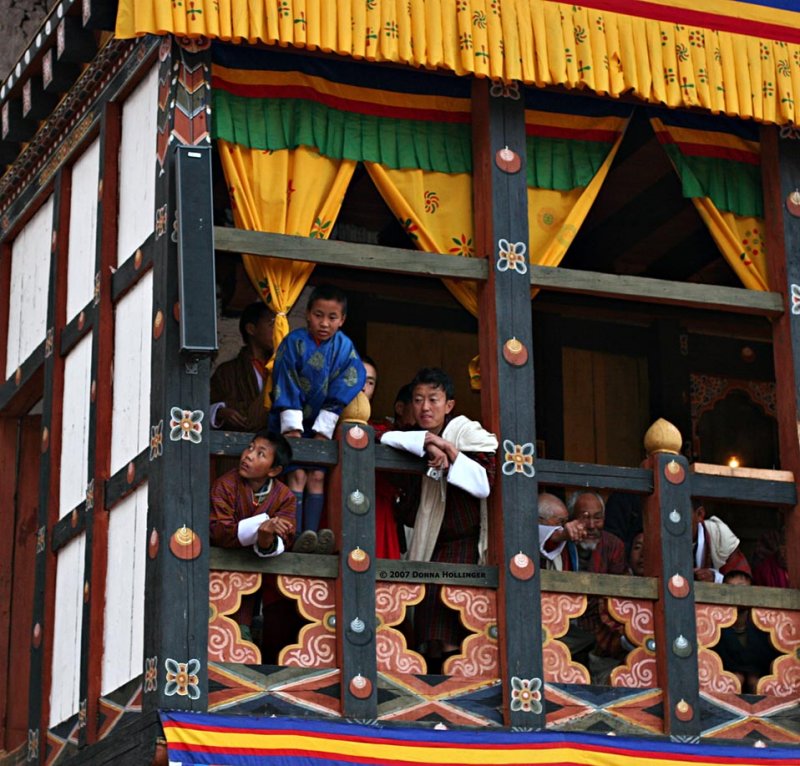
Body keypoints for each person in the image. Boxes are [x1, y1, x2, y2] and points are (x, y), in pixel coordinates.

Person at [381, 367, 497, 670]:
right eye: (418, 400)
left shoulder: (466, 433)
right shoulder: (414, 439)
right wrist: (432, 443)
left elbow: (485, 482)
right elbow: (383, 436)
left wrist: (452, 453)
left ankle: (452, 682)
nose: (425, 407)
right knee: (427, 625)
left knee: (454, 623)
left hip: (464, 545)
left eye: (433, 399)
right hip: (429, 543)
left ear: (449, 405)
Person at [268, 284, 366, 537]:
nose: (324, 323)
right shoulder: (293, 342)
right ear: (308, 314)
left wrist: (324, 427)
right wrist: (291, 427)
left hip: (323, 423)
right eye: (318, 315)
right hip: (288, 423)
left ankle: (309, 535)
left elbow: (352, 379)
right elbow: (284, 379)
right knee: (296, 475)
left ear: (342, 320)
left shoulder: (345, 349)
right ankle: (293, 533)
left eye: (332, 317)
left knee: (317, 478)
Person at [209, 431, 296, 644]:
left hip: (263, 572)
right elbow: (220, 531)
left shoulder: (285, 497)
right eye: (250, 448)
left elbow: (287, 534)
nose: (248, 455)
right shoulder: (225, 485)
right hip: (223, 570)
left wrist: (266, 540)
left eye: (260, 454)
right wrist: (260, 528)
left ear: (274, 470)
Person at [541, 491, 628, 683]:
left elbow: (616, 594)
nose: (591, 526)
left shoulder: (613, 545)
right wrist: (562, 535)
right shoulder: (561, 539)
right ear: (571, 519)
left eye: (598, 518)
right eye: (584, 518)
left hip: (597, 626)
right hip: (558, 622)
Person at [360, 356, 402, 560]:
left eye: (369, 382)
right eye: (356, 377)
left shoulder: (383, 431)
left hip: (377, 512)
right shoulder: (321, 425)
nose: (362, 387)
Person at [210, 302, 274, 432]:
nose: (277, 330)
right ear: (251, 329)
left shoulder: (280, 367)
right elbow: (202, 409)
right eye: (272, 324)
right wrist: (220, 412)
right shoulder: (227, 372)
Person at [715, 570, 778, 693]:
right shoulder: (716, 625)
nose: (738, 595)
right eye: (731, 589)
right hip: (726, 679)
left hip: (759, 675)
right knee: (736, 680)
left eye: (743, 589)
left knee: (756, 682)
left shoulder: (764, 624)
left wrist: (752, 675)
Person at [692, 503, 750, 582]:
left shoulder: (719, 535)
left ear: (700, 514)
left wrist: (715, 578)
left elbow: (742, 583)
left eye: (681, 513)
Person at [537, 492, 585, 570]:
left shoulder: (567, 544)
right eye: (560, 522)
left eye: (566, 521)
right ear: (540, 520)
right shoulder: (526, 535)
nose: (565, 526)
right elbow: (544, 535)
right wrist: (562, 534)